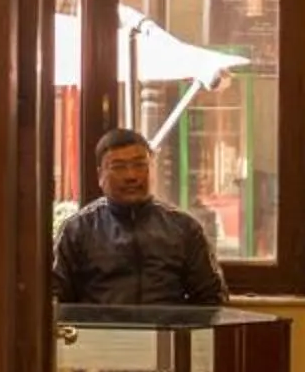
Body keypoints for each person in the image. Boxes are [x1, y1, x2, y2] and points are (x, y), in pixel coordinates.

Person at [52, 128, 228, 307]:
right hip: (99, 325)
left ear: (152, 169)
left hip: (168, 324)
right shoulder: (77, 230)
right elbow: (55, 296)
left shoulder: (185, 228)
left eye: (140, 165)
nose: (131, 176)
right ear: (100, 175)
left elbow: (212, 297)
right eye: (119, 167)